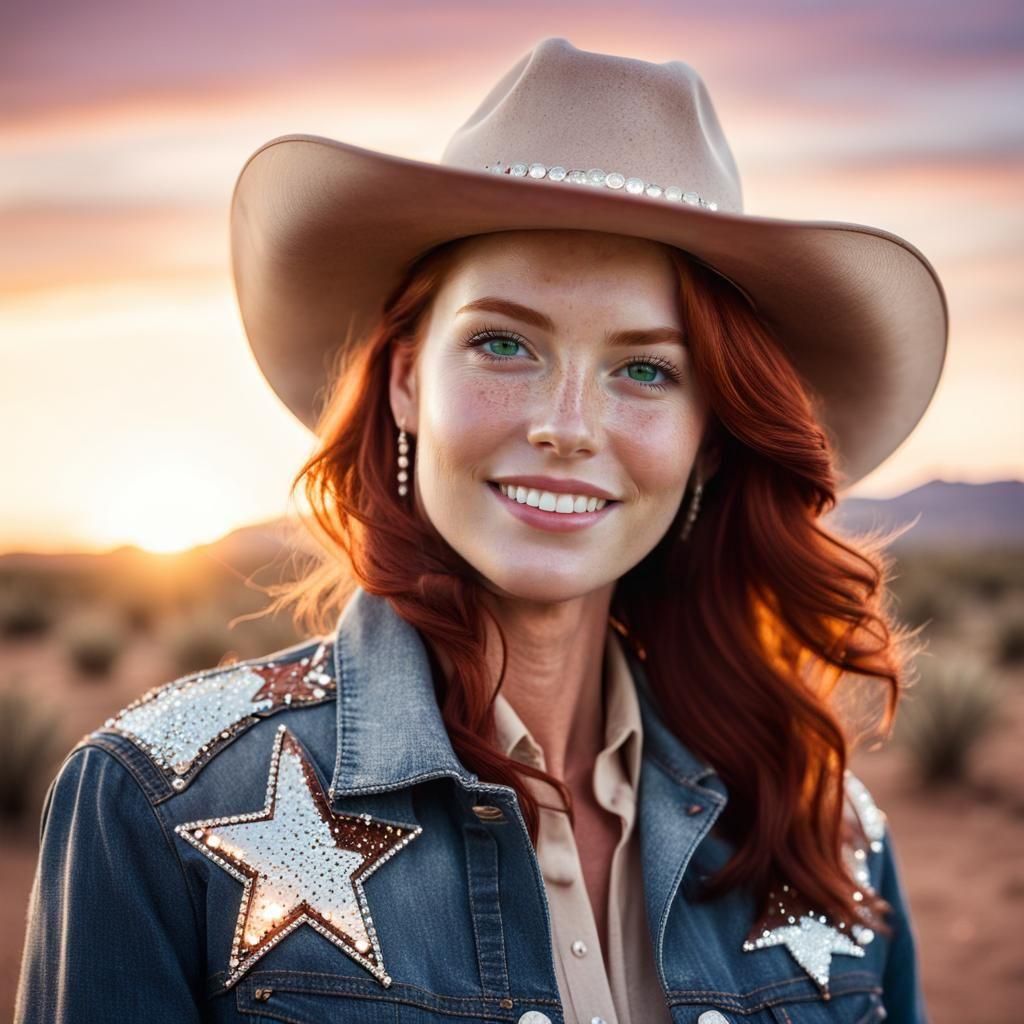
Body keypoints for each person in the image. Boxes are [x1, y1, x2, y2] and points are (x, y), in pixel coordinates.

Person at [15, 36, 946, 1024]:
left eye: (645, 369)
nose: (566, 425)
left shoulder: (825, 836)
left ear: (708, 439)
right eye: (503, 342)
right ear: (408, 380)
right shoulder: (157, 806)